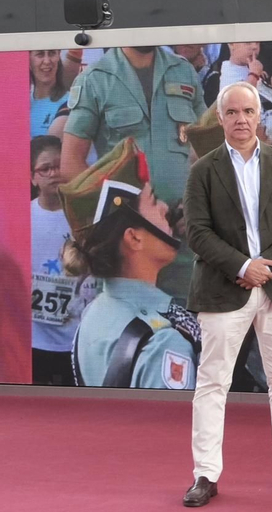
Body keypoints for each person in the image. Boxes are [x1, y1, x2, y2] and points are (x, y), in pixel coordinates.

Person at [181, 82, 272, 508]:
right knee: (212, 383)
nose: (241, 119)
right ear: (221, 119)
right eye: (233, 112)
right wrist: (243, 267)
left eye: (249, 111)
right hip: (224, 289)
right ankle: (205, 474)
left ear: (262, 117)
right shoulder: (203, 170)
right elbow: (197, 232)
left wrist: (265, 266)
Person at [61, 139, 199, 390]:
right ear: (134, 238)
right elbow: (171, 430)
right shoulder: (163, 343)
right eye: (154, 201)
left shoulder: (96, 311)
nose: (165, 208)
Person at [60, 44, 205, 219]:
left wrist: (197, 202)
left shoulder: (183, 72)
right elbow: (70, 162)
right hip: (128, 229)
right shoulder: (95, 78)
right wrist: (117, 211)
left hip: (185, 224)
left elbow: (207, 147)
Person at [30, 135, 85, 385]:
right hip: (34, 338)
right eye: (45, 168)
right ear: (33, 177)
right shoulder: (20, 216)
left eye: (59, 165)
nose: (53, 173)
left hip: (76, 337)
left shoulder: (84, 216)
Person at [29, 49, 70, 138]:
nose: (47, 61)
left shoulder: (71, 102)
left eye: (52, 53)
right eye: (40, 54)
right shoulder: (19, 103)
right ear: (28, 60)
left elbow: (51, 150)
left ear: (59, 56)